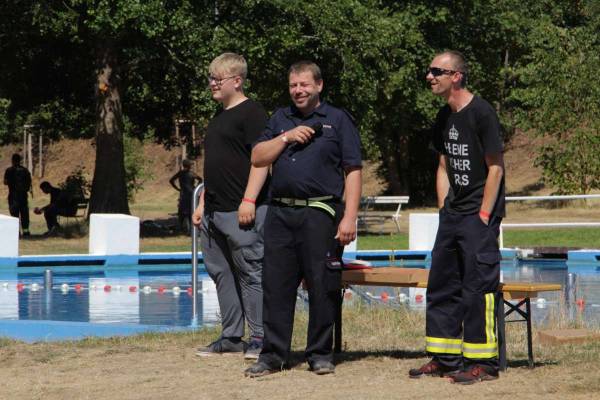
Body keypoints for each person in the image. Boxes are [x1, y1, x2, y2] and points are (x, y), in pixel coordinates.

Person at [244, 61, 362, 377]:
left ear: (319, 86)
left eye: (304, 85)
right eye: (293, 85)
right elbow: (257, 157)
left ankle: (320, 354)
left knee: (322, 285)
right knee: (276, 286)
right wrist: (286, 138)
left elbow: (353, 170)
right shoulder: (280, 119)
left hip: (320, 213)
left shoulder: (338, 121)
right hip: (280, 213)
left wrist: (350, 216)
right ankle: (272, 355)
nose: (298, 90)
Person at [408, 50, 505, 384]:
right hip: (452, 215)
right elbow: (443, 164)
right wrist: (442, 210)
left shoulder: (482, 113)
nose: (429, 76)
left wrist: (483, 215)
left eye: (437, 71)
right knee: (442, 284)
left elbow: (496, 168)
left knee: (478, 287)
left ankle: (484, 363)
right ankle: (444, 357)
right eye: (429, 70)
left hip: (478, 216)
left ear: (457, 76)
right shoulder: (443, 116)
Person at [191, 53, 270, 360]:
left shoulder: (252, 114)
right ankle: (231, 336)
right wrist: (201, 203)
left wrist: (249, 200)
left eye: (217, 79)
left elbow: (262, 161)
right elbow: (216, 166)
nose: (211, 84)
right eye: (210, 78)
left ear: (237, 81)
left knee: (251, 273)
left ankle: (260, 337)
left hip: (242, 211)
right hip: (213, 212)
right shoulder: (218, 117)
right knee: (221, 273)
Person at [169, 159, 202, 233]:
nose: (192, 166)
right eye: (191, 164)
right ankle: (193, 227)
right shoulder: (192, 173)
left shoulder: (180, 173)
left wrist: (177, 188)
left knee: (181, 210)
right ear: (189, 165)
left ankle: (181, 227)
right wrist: (196, 188)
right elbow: (200, 180)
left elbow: (171, 180)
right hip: (192, 194)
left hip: (183, 193)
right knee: (192, 210)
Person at [3, 153, 32, 237]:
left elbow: (5, 182)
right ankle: (26, 231)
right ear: (20, 160)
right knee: (24, 214)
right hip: (23, 196)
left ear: (12, 160)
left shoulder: (9, 170)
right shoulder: (25, 170)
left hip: (13, 196)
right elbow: (29, 183)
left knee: (14, 215)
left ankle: (16, 232)